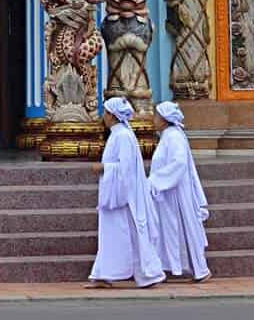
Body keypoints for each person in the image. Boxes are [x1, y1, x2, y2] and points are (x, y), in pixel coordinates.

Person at [86, 97, 164, 289]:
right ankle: (104, 273)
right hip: (117, 194)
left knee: (132, 234)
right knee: (116, 235)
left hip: (123, 196)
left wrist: (104, 168)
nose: (103, 116)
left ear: (112, 115)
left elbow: (126, 169)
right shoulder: (118, 134)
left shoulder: (122, 136)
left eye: (105, 112)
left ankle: (148, 274)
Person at [148, 100, 212, 282]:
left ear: (165, 119)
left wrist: (155, 181)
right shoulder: (169, 136)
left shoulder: (173, 137)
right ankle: (170, 266)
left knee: (186, 228)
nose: (154, 119)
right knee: (171, 230)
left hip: (177, 192)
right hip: (169, 193)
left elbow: (178, 164)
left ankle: (200, 269)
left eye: (156, 116)